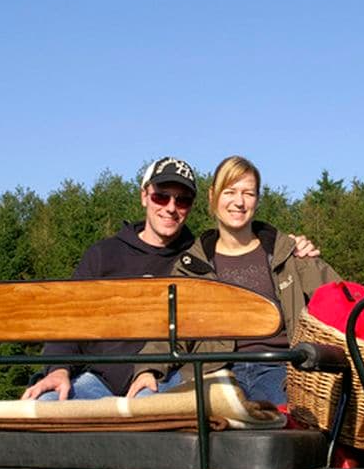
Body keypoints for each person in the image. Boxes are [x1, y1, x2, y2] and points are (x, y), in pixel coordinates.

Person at [23, 156, 324, 401]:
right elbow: (68, 318)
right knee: (48, 403)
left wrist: (296, 250)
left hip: (173, 377)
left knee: (158, 411)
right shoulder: (106, 254)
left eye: (181, 200)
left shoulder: (194, 261)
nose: (170, 207)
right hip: (102, 378)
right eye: (161, 196)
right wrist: (58, 368)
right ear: (144, 196)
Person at [128, 156, 341, 406]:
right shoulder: (192, 266)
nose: (238, 202)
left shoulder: (289, 254)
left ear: (257, 199)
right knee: (145, 403)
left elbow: (341, 301)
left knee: (288, 421)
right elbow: (168, 329)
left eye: (248, 193)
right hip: (212, 372)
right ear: (213, 196)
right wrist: (147, 370)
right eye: (230, 192)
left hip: (280, 368)